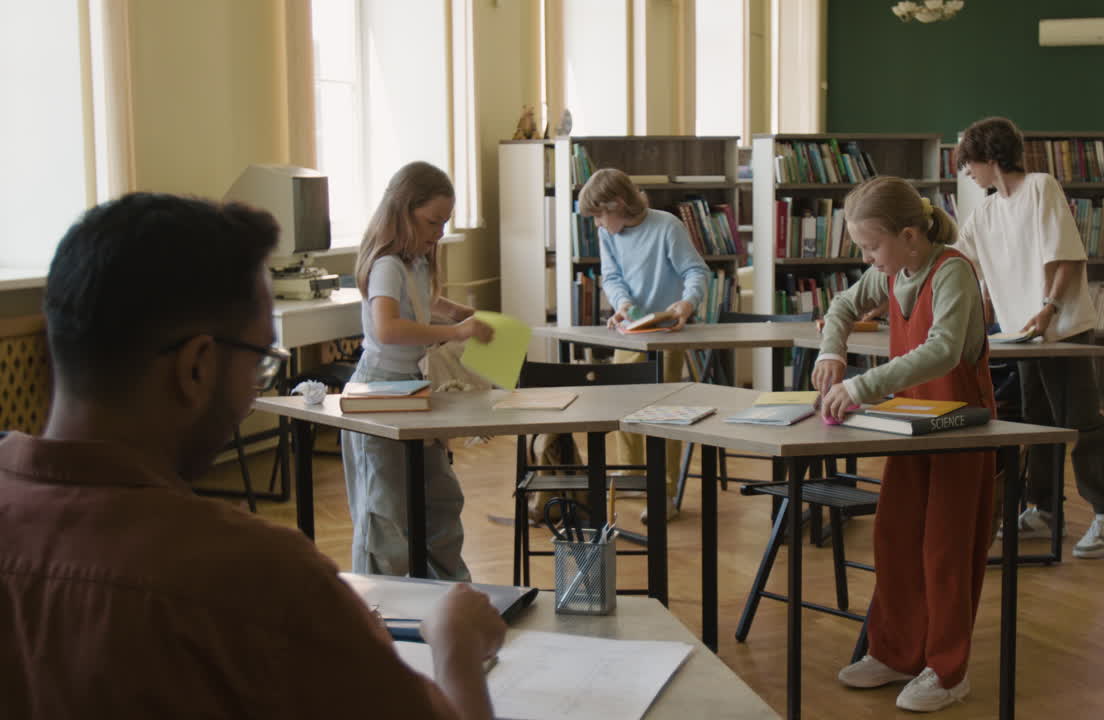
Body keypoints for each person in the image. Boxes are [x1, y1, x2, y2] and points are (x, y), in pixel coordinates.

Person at [0, 192, 505, 718]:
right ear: (195, 368)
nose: (252, 394)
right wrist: (457, 650)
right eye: (261, 364)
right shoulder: (261, 580)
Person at [812, 176, 994, 713]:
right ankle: (895, 652)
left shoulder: (951, 272)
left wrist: (861, 385)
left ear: (910, 235)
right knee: (895, 537)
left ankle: (946, 669)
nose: (869, 258)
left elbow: (942, 352)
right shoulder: (892, 272)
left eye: (872, 247)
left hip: (959, 427)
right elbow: (842, 306)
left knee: (945, 551)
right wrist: (831, 353)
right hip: (909, 425)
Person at [954, 116, 1104, 559]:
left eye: (970, 164)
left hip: (1062, 327)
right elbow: (959, 258)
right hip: (1021, 336)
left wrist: (1049, 306)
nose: (968, 173)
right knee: (1037, 423)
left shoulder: (1040, 186)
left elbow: (1065, 254)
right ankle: (1044, 509)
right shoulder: (987, 211)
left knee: (1080, 422)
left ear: (992, 157)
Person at [343, 161, 493, 579]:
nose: (439, 233)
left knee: (440, 496)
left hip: (413, 390)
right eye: (432, 222)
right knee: (385, 511)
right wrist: (456, 329)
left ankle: (448, 590)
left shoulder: (417, 261)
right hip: (378, 393)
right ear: (403, 211)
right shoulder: (387, 264)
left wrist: (453, 311)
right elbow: (388, 328)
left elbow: (423, 300)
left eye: (445, 223)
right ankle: (382, 605)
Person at [580, 168, 710, 522]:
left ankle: (663, 490)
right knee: (624, 404)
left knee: (664, 414)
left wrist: (686, 303)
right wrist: (621, 304)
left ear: (619, 204)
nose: (597, 225)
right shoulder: (609, 233)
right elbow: (612, 277)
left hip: (666, 331)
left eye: (599, 216)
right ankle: (631, 475)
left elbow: (696, 272)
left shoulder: (666, 227)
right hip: (631, 330)